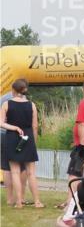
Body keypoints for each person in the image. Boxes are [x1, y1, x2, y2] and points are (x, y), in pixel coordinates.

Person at [1, 79, 43, 208]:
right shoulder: (32, 105)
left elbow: (1, 123)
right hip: (28, 138)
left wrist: (13, 128)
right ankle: (37, 202)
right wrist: (33, 143)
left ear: (13, 90)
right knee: (31, 172)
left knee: (14, 171)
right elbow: (35, 126)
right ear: (25, 90)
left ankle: (18, 202)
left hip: (12, 138)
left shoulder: (6, 104)